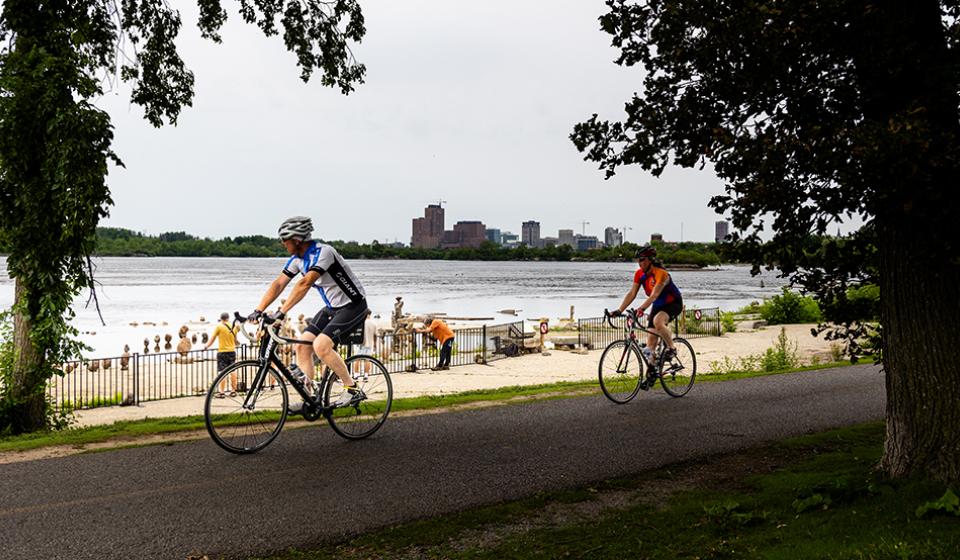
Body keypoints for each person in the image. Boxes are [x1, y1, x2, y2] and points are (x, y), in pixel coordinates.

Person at [248, 216, 368, 412]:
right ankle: (309, 399)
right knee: (302, 346)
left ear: (297, 240)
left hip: (353, 306)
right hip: (332, 308)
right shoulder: (298, 260)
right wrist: (258, 310)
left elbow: (305, 283)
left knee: (321, 345)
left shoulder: (324, 252)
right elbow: (279, 283)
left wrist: (281, 312)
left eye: (285, 240)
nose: (282, 243)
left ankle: (352, 388)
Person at [612, 245, 683, 365]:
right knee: (650, 348)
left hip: (673, 303)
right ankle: (652, 372)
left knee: (658, 321)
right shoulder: (639, 274)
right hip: (658, 305)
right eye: (638, 260)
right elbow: (632, 293)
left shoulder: (661, 274)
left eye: (642, 259)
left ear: (650, 260)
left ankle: (672, 348)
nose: (640, 263)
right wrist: (619, 310)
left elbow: (654, 295)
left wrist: (641, 309)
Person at [204, 312, 240, 397]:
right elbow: (236, 337)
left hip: (222, 351)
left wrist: (206, 346)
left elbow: (212, 339)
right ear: (228, 318)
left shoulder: (219, 327)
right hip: (232, 351)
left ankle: (222, 392)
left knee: (222, 372)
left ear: (221, 319)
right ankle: (233, 391)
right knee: (233, 371)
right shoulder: (234, 326)